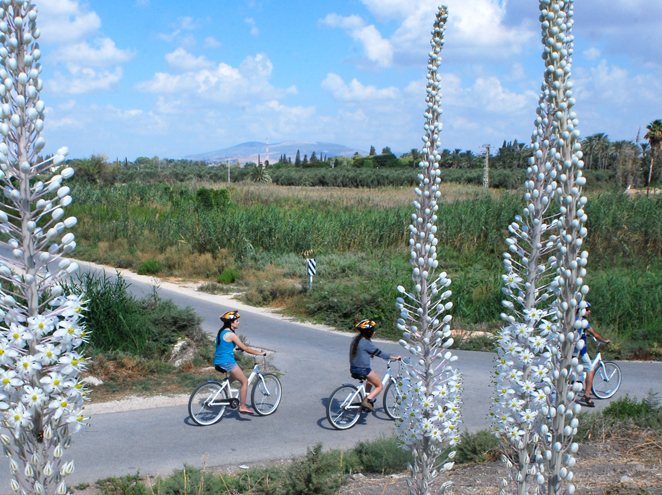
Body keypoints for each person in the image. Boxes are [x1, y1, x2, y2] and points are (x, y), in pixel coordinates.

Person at [214, 310, 267, 415]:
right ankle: (242, 406)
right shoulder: (231, 335)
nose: (238, 322)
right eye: (237, 321)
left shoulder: (222, 331)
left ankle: (222, 390)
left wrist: (235, 349)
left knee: (235, 374)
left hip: (219, 360)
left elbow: (224, 346)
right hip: (227, 361)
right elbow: (246, 348)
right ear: (231, 322)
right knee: (244, 382)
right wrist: (259, 353)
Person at [349, 319, 400, 412]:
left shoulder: (356, 340)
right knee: (379, 386)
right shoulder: (366, 343)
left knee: (373, 375)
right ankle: (367, 400)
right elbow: (381, 354)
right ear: (369, 332)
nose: (374, 332)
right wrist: (394, 357)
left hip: (353, 369)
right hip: (362, 370)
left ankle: (367, 396)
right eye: (373, 330)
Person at [577, 303, 610, 407]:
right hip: (580, 351)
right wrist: (605, 340)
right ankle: (587, 395)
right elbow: (595, 334)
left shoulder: (572, 320)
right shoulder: (583, 322)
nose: (589, 311)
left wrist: (584, 334)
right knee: (590, 369)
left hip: (570, 350)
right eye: (587, 309)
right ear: (581, 310)